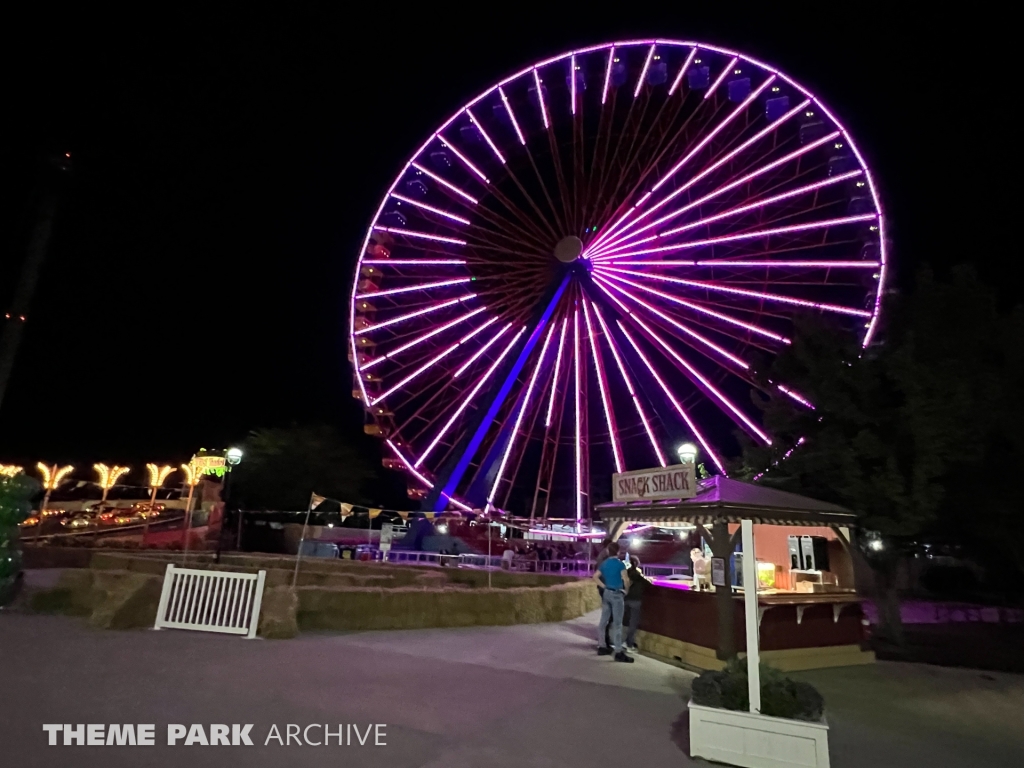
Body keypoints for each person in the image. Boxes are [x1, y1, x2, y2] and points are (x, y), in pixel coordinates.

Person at [592, 542, 633, 663]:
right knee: (617, 623)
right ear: (618, 552)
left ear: (608, 552)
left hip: (607, 593)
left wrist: (604, 587)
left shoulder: (604, 564)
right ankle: (618, 651)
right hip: (617, 594)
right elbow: (626, 580)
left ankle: (601, 646)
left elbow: (595, 577)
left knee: (603, 620)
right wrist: (626, 590)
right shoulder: (620, 565)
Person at [623, 556, 651, 650]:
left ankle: (618, 641)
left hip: (626, 599)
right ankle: (629, 643)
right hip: (636, 600)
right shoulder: (638, 576)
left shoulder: (626, 573)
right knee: (633, 623)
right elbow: (648, 584)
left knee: (623, 621)